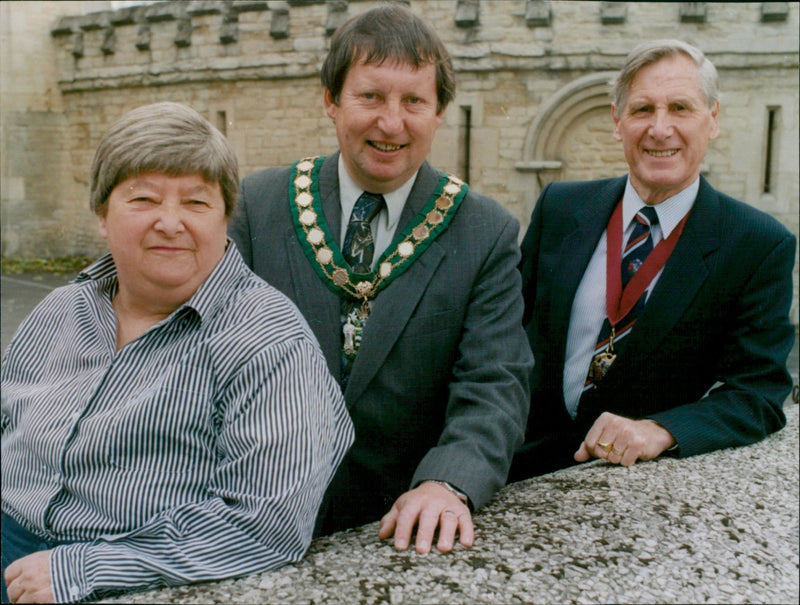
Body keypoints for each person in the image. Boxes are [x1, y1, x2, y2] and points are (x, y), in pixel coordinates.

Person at [1, 102, 354, 603]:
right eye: (143, 198)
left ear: (225, 218)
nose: (171, 223)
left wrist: (84, 568)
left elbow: (267, 524)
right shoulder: (62, 308)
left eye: (196, 202)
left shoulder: (269, 341)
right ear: (103, 215)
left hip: (124, 572)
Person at [229, 4, 532, 554]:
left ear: (438, 112)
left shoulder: (485, 231)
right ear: (331, 100)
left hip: (393, 526)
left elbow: (495, 384)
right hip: (248, 507)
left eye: (414, 101)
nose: (391, 123)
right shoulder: (260, 204)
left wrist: (449, 480)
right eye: (370, 96)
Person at [509, 40, 796, 481]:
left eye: (680, 108)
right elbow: (506, 332)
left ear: (713, 120)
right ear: (617, 121)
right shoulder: (560, 208)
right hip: (513, 465)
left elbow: (757, 392)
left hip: (630, 484)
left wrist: (661, 430)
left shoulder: (757, 244)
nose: (660, 129)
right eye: (643, 110)